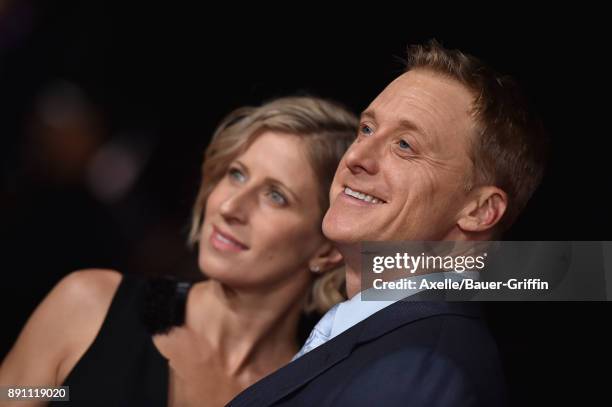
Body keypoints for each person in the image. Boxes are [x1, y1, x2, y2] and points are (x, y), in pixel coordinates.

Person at [228, 41, 548, 407]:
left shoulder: (423, 371)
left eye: (405, 145)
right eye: (366, 129)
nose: (357, 157)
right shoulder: (391, 342)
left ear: (480, 211)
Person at [0, 96, 359, 406]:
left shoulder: (308, 393)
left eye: (275, 195)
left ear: (327, 251)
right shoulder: (90, 306)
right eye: (236, 174)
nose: (231, 206)